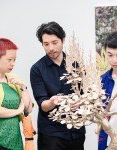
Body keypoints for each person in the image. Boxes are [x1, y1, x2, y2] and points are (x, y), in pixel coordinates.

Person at [30, 21, 85, 150]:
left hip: (76, 131)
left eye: (54, 43)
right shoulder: (37, 69)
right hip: (51, 134)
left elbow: (85, 93)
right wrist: (53, 102)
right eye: (46, 44)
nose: (51, 48)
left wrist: (81, 101)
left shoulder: (76, 65)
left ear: (63, 40)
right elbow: (43, 104)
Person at [0, 38, 33, 150]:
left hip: (15, 140)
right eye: (9, 60)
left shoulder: (12, 78)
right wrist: (17, 111)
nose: (13, 63)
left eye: (15, 60)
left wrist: (24, 88)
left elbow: (28, 110)